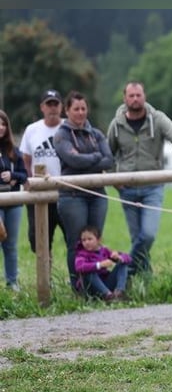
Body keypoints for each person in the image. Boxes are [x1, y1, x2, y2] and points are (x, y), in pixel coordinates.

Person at [107, 81, 172, 276]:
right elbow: (108, 155)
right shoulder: (116, 125)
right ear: (124, 98)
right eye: (131, 96)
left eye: (138, 95)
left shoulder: (157, 119)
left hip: (153, 187)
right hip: (127, 189)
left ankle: (125, 271)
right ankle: (144, 282)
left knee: (147, 235)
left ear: (144, 96)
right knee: (136, 239)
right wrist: (114, 178)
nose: (135, 99)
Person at [53, 90, 115, 291]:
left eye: (83, 108)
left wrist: (86, 161)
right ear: (67, 110)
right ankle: (78, 289)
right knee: (77, 244)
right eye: (76, 109)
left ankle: (96, 287)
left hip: (97, 194)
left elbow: (110, 159)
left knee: (94, 243)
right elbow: (72, 160)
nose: (80, 113)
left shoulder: (96, 133)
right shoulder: (61, 134)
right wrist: (96, 159)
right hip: (72, 196)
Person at [19, 89, 65, 257]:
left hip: (65, 192)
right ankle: (47, 277)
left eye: (56, 104)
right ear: (42, 107)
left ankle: (77, 279)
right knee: (37, 239)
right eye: (49, 104)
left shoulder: (68, 127)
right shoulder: (32, 130)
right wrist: (28, 181)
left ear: (61, 107)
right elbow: (26, 158)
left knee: (73, 238)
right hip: (39, 191)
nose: (52, 108)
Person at [0, 110, 29, 291]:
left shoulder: (13, 151)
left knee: (10, 244)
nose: (1, 128)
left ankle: (12, 282)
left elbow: (24, 175)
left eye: (3, 124)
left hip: (14, 202)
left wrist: (13, 175)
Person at [74, 225, 131, 303]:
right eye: (83, 240)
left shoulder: (104, 251)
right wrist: (99, 265)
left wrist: (119, 257)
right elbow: (79, 267)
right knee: (87, 272)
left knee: (123, 263)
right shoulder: (81, 254)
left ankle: (119, 293)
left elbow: (129, 258)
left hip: (106, 283)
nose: (86, 242)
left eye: (90, 239)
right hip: (91, 288)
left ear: (99, 240)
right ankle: (108, 296)